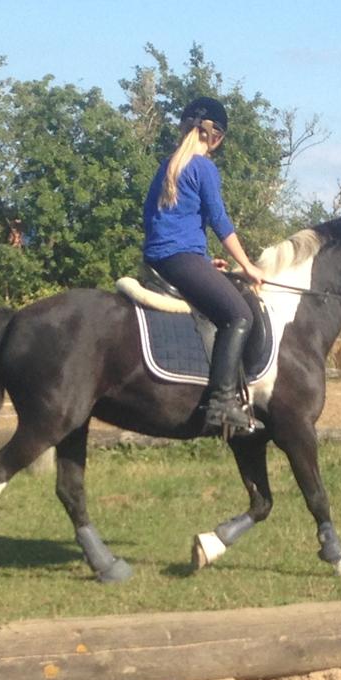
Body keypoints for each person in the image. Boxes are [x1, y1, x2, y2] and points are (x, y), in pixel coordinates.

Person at [143, 96, 266, 432]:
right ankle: (222, 403)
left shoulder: (167, 166)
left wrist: (200, 261)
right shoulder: (203, 167)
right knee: (239, 314)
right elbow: (220, 221)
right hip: (179, 259)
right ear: (214, 136)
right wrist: (249, 266)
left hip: (165, 259)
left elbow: (157, 220)